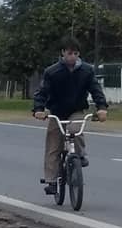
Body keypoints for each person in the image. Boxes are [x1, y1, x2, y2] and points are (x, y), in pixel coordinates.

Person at [32, 36, 108, 195]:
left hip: (76, 110)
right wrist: (39, 109)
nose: (72, 56)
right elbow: (42, 92)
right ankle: (51, 181)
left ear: (78, 54)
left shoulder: (87, 70)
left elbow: (96, 90)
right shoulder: (52, 72)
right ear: (62, 53)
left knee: (76, 129)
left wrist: (101, 108)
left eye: (75, 53)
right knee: (53, 146)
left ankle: (79, 156)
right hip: (57, 112)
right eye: (69, 53)